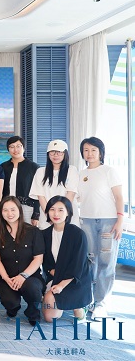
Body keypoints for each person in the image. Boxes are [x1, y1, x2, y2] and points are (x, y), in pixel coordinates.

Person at [77, 137, 123, 319]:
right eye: (86, 150)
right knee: (90, 261)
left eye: (93, 150)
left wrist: (120, 221)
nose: (89, 153)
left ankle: (102, 303)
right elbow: (78, 197)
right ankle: (89, 300)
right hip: (86, 221)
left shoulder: (109, 171)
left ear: (101, 152)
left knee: (106, 262)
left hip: (108, 221)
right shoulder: (81, 174)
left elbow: (119, 197)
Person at [0, 196, 45, 326]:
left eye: (13, 209)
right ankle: (13, 308)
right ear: (1, 212)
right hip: (8, 277)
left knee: (33, 289)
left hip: (30, 277)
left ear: (19, 210)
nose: (9, 213)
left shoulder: (33, 231)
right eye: (5, 210)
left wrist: (23, 276)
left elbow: (38, 258)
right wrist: (6, 278)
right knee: (10, 303)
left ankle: (33, 312)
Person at [42, 196, 92, 323]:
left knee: (58, 302)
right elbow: (46, 263)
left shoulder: (78, 234)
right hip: (56, 277)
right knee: (49, 318)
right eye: (52, 209)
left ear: (68, 213)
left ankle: (79, 307)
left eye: (60, 210)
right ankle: (64, 303)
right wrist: (56, 277)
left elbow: (78, 265)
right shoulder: (44, 234)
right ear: (47, 212)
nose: (56, 214)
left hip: (76, 279)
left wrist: (61, 285)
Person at [29, 140, 79, 229]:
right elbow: (41, 197)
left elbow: (70, 195)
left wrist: (61, 216)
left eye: (59, 152)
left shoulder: (72, 170)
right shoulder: (40, 172)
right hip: (47, 220)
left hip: (67, 218)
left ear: (65, 154)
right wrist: (50, 217)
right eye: (52, 152)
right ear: (48, 154)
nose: (55, 155)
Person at [0, 136, 40, 225]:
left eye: (18, 146)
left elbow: (38, 191)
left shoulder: (33, 167)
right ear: (8, 149)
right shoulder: (3, 167)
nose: (15, 150)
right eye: (12, 147)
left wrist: (36, 214)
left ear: (23, 148)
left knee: (26, 232)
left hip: (26, 208)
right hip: (7, 208)